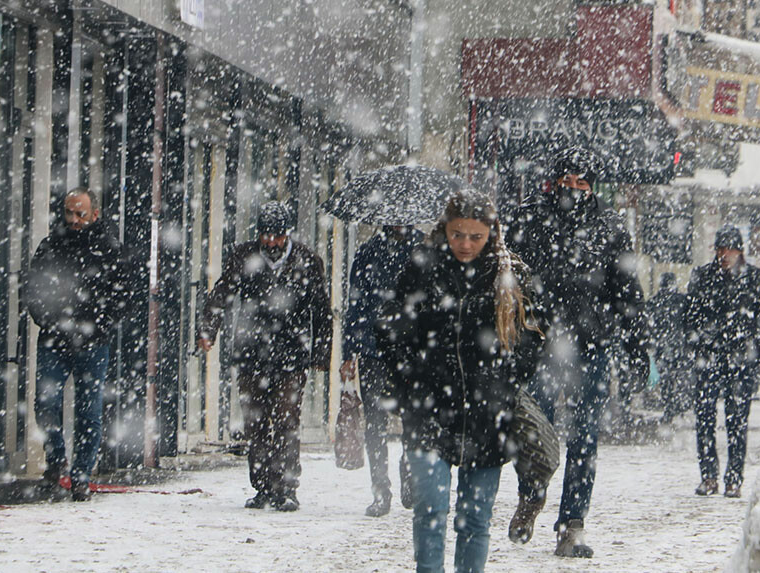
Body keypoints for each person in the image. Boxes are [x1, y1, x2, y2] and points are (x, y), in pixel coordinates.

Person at [377, 190, 543, 573]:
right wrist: (411, 380)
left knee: (475, 518)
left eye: (475, 236)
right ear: (444, 231)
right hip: (428, 410)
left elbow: (533, 335)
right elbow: (390, 329)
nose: (465, 244)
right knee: (430, 510)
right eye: (457, 235)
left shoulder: (509, 275)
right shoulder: (422, 268)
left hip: (487, 413)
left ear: (491, 234)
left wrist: (507, 378)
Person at [505, 146, 649, 558]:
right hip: (542, 344)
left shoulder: (610, 226)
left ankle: (572, 523)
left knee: (584, 438)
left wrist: (638, 348)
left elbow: (627, 293)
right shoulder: (530, 218)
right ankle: (531, 495)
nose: (573, 189)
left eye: (581, 181)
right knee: (536, 430)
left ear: (592, 185)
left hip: (591, 345)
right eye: (566, 181)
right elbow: (509, 279)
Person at [198, 201, 332, 512]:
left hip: (291, 352)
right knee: (255, 423)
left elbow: (321, 311)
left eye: (277, 236)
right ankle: (261, 486)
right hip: (251, 352)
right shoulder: (244, 256)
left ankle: (286, 486)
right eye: (266, 235)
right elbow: (222, 292)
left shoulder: (308, 260)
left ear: (288, 234)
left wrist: (321, 353)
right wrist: (208, 329)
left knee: (287, 421)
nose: (270, 242)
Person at [24, 188, 126, 502]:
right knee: (46, 404)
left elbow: (121, 295)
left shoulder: (109, 249)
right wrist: (48, 320)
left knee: (89, 411)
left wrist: (101, 325)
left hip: (92, 342)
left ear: (95, 214)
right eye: (69, 213)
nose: (74, 219)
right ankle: (57, 463)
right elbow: (34, 288)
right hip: (55, 338)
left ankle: (81, 475)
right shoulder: (51, 246)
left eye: (80, 213)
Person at [684, 225, 760, 498]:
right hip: (710, 356)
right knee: (705, 419)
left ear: (740, 251)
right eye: (721, 249)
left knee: (737, 421)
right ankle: (709, 476)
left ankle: (734, 478)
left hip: (740, 358)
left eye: (730, 249)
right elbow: (689, 316)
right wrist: (699, 341)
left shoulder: (757, 279)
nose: (725, 255)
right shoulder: (702, 276)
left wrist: (756, 351)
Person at [341, 225, 420, 517]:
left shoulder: (423, 251)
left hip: (411, 350)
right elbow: (356, 303)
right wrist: (350, 351)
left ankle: (409, 475)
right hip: (375, 348)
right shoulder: (367, 253)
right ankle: (380, 491)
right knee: (375, 423)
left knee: (413, 420)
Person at [646, 272, 693, 423]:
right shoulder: (683, 300)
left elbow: (648, 324)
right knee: (680, 377)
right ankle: (679, 404)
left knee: (666, 379)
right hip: (679, 345)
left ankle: (669, 406)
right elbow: (689, 322)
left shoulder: (654, 301)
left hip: (662, 345)